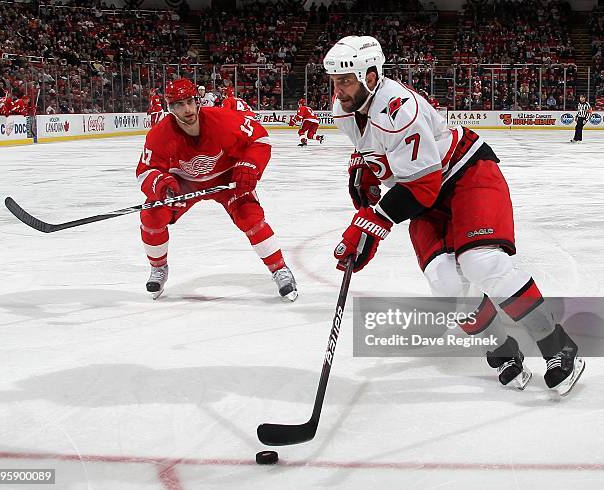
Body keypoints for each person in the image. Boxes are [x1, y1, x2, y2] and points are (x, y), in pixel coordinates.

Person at [324, 36, 584, 395]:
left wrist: (372, 223)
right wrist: (365, 167)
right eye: (335, 80)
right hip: (427, 193)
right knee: (444, 283)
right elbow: (373, 148)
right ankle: (503, 349)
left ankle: (557, 345)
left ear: (371, 75)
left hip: (466, 174)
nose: (339, 89)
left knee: (481, 263)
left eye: (346, 79)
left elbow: (421, 187)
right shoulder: (344, 108)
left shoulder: (400, 110)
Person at [136, 78, 297, 301]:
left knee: (250, 217)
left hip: (227, 178)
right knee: (152, 215)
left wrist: (250, 165)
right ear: (170, 109)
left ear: (197, 100)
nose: (188, 109)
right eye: (180, 105)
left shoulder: (224, 120)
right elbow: (146, 170)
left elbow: (260, 138)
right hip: (184, 183)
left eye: (190, 102)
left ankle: (279, 269)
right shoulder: (159, 135)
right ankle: (158, 267)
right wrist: (163, 187)